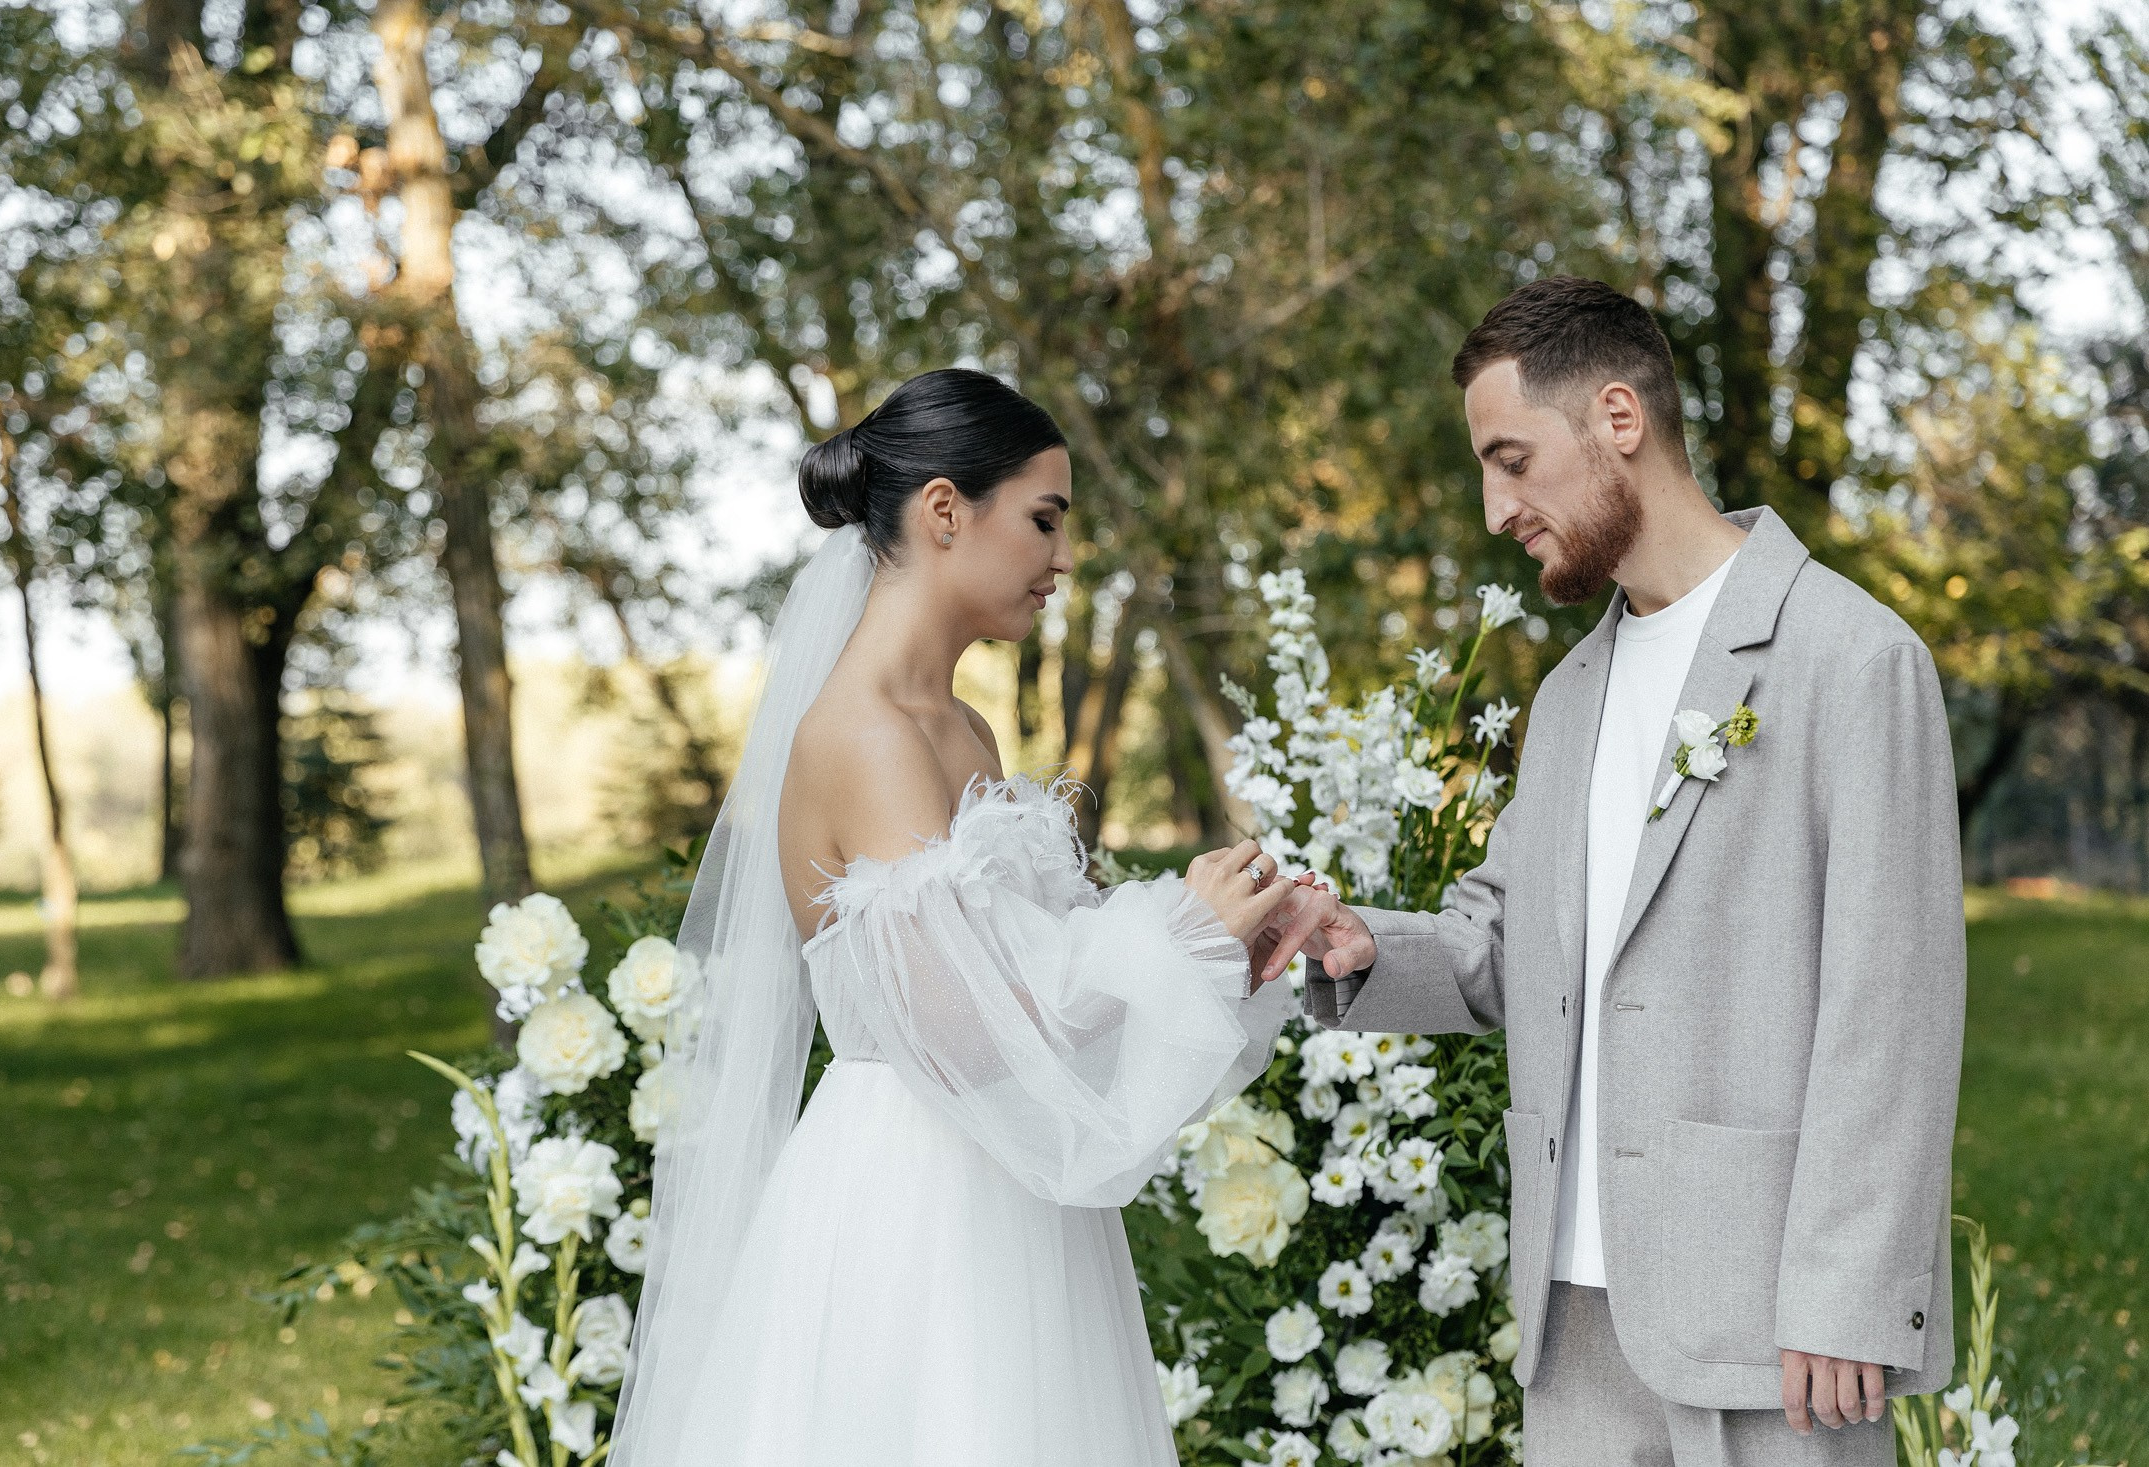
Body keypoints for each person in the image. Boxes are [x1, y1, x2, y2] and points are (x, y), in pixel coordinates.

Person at [1271, 277, 1967, 1465]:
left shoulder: (1852, 660)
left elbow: (1890, 1008)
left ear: (1617, 419)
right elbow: (1509, 943)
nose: (1496, 508)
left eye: (1510, 459)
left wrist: (1847, 1293)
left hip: (1772, 1320)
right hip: (1572, 1315)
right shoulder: (1568, 692)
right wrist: (1369, 945)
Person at [607, 367, 1304, 1466]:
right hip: (921, 1201)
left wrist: (1218, 937)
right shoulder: (867, 733)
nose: (1063, 559)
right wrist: (1173, 938)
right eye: (1043, 519)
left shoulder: (963, 733)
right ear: (944, 511)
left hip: (1008, 1176)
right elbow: (958, 1025)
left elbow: (1032, 981)